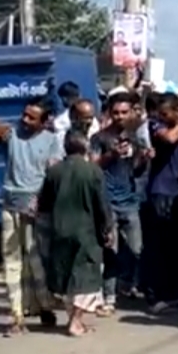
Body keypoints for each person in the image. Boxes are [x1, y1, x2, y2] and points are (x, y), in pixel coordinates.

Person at [0, 97, 64, 335]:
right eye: (24, 115)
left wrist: (42, 201)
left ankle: (44, 305)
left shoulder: (52, 141)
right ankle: (17, 316)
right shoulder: (12, 134)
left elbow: (53, 175)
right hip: (10, 204)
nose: (25, 120)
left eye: (32, 117)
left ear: (45, 121)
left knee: (36, 259)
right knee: (11, 260)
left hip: (36, 207)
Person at [39, 130, 113, 337]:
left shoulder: (54, 172)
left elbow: (43, 204)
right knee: (85, 277)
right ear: (85, 147)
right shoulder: (93, 172)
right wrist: (107, 228)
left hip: (59, 231)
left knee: (66, 276)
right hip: (86, 233)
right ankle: (75, 321)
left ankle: (74, 319)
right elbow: (102, 205)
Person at [91, 91, 149, 309]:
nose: (120, 117)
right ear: (109, 113)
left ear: (131, 113)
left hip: (130, 201)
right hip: (107, 202)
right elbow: (93, 166)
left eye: (124, 112)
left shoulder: (135, 138)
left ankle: (129, 285)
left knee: (137, 250)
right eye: (116, 112)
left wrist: (144, 158)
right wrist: (111, 155)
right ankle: (109, 296)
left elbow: (136, 170)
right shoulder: (99, 138)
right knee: (110, 251)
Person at [145, 94, 178, 311]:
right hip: (162, 191)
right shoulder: (156, 125)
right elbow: (169, 138)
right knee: (162, 244)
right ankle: (158, 294)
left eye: (165, 113)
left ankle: (176, 292)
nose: (162, 116)